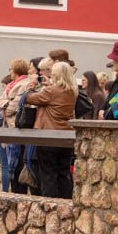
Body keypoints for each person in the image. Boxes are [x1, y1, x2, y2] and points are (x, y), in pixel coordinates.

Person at [25, 62, 77, 198]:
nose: (50, 76)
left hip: (49, 137)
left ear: (57, 76)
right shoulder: (72, 91)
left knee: (48, 174)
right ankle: (66, 203)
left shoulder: (51, 91)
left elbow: (29, 98)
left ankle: (50, 205)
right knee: (63, 173)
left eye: (53, 75)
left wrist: (31, 85)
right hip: (66, 137)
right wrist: (49, 85)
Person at [0, 59, 35, 194]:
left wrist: (5, 105)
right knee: (9, 165)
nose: (10, 71)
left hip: (17, 128)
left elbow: (13, 107)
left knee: (17, 165)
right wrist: (6, 103)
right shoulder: (10, 85)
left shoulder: (25, 84)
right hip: (8, 128)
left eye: (11, 69)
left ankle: (18, 194)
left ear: (16, 70)